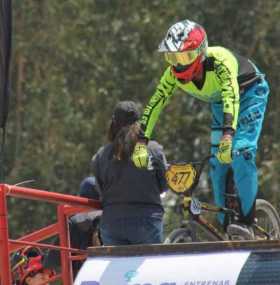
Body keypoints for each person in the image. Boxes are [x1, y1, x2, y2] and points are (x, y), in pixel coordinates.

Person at [132, 19, 270, 240]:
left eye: (184, 57)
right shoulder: (171, 75)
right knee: (217, 166)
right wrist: (141, 141)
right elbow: (156, 104)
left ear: (200, 53)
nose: (178, 65)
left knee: (240, 153)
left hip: (249, 93)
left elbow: (231, 96)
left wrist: (228, 135)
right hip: (219, 105)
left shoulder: (219, 62)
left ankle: (247, 222)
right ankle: (226, 227)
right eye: (172, 58)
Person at [92, 101, 168, 245]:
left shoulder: (101, 155)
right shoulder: (153, 149)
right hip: (147, 221)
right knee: (149, 266)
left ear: (113, 124)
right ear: (140, 123)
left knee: (118, 267)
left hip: (112, 221)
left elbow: (101, 191)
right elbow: (164, 185)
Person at [44, 176, 102, 278]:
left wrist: (42, 260)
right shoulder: (112, 216)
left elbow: (51, 260)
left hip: (84, 277)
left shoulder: (74, 221)